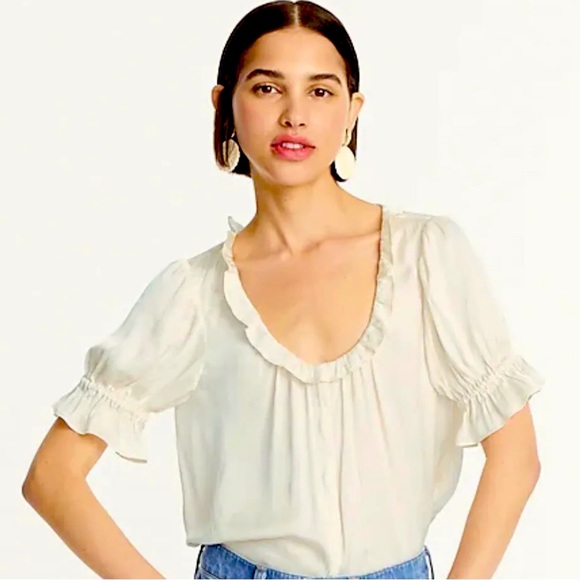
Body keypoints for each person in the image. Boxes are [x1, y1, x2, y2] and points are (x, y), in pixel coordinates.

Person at [22, 1, 545, 578]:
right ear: (226, 105)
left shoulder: (428, 255)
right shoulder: (194, 293)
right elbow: (52, 477)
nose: (295, 115)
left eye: (320, 91)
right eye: (267, 88)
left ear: (351, 112)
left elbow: (515, 456)